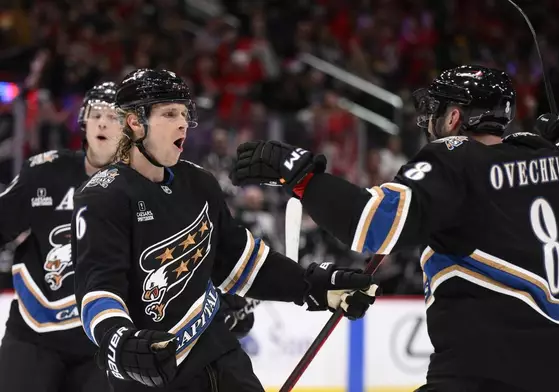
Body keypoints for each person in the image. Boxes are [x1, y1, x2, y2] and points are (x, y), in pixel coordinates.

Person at [230, 65, 559, 392]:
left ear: (454, 117)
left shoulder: (455, 158)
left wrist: (301, 175)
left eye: (436, 111)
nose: (429, 121)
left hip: (482, 373)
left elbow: (370, 224)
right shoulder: (548, 159)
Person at [71, 68, 379, 392]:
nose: (182, 123)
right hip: (153, 370)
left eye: (184, 113)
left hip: (219, 352)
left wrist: (311, 285)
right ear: (135, 122)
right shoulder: (103, 196)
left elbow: (239, 262)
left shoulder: (199, 182)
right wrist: (119, 341)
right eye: (169, 113)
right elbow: (98, 291)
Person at [0, 82, 120, 392]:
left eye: (113, 116)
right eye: (96, 115)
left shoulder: (145, 188)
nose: (103, 122)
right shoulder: (46, 173)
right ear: (84, 122)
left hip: (104, 344)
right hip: (34, 335)